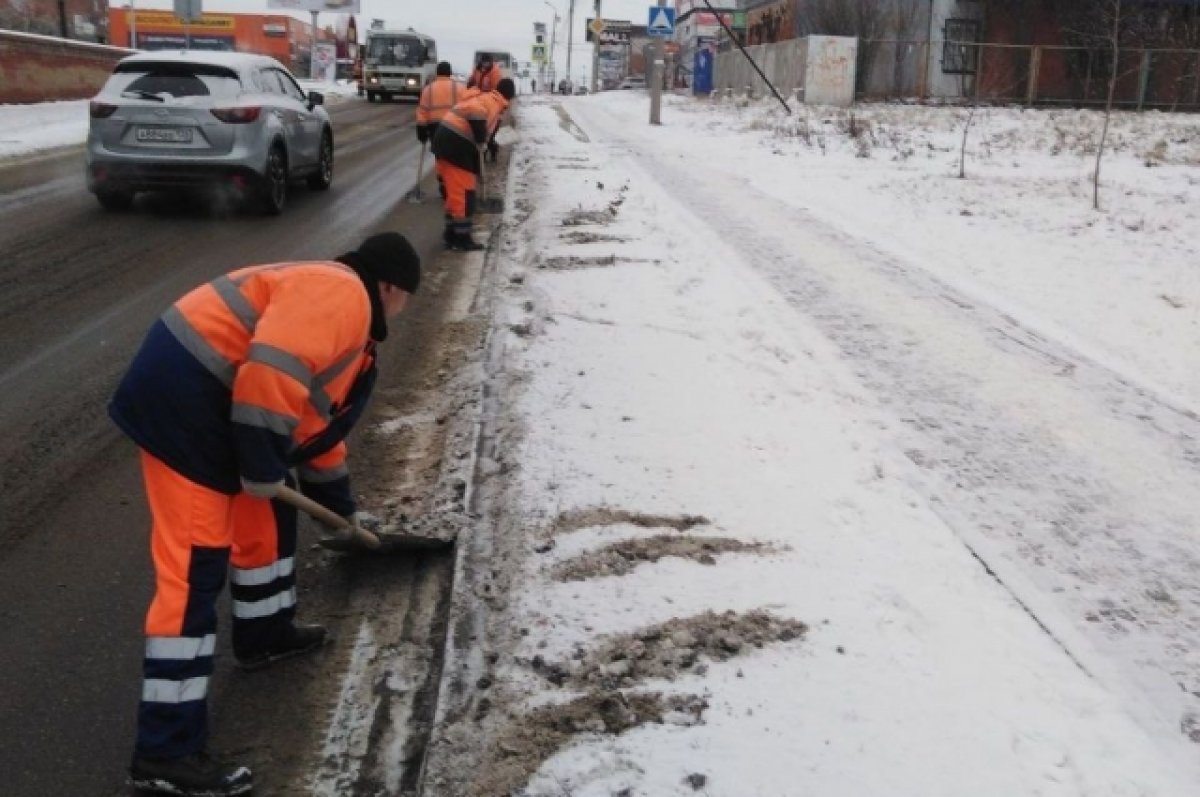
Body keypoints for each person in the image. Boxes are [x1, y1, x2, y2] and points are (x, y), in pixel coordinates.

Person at [111, 232, 422, 796]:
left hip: (220, 408)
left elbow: (309, 425)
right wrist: (259, 462)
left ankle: (266, 633)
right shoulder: (344, 294)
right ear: (391, 286)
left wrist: (340, 514)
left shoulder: (340, 315)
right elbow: (269, 378)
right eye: (406, 300)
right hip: (182, 408)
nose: (401, 312)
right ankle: (164, 752)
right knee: (193, 573)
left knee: (267, 523)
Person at [431, 77, 515, 252]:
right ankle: (462, 239)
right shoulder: (492, 101)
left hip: (449, 141)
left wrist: (484, 144)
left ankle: (452, 235)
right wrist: (480, 136)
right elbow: (476, 114)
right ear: (509, 96)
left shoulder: (489, 99)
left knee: (455, 193)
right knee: (464, 194)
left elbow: (482, 129)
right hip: (455, 144)